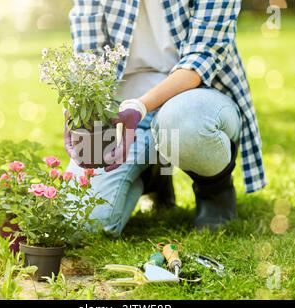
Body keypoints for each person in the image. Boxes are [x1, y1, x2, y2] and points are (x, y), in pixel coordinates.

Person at [64, 0, 266, 236]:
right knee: (81, 225)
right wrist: (79, 107)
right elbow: (89, 54)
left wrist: (139, 107)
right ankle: (153, 175)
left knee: (187, 122)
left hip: (195, 96)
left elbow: (201, 58)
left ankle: (214, 190)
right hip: (120, 109)